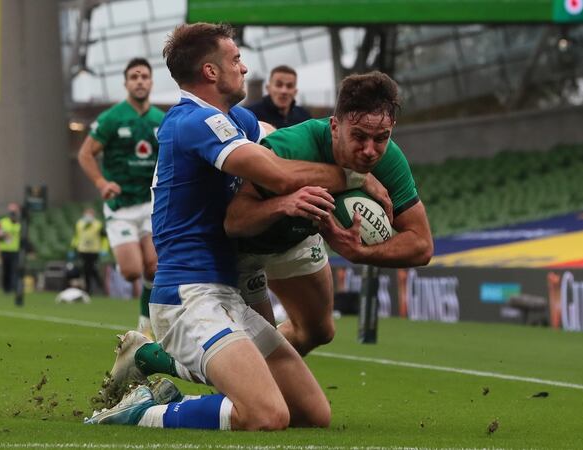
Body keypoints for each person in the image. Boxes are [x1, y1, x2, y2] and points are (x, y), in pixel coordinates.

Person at [86, 22, 383, 431]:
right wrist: (355, 176)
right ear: (211, 72)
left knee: (312, 414)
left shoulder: (233, 119)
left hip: (227, 293)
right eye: (236, 60)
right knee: (266, 415)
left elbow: (283, 142)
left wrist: (357, 145)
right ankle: (140, 412)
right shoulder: (192, 121)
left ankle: (153, 362)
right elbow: (279, 173)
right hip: (189, 296)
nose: (243, 69)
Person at [228, 71, 433, 356]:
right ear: (335, 126)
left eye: (381, 138)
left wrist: (360, 253)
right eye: (359, 136)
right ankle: (163, 361)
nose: (370, 151)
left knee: (318, 331)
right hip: (243, 248)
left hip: (298, 237)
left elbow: (422, 246)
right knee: (257, 353)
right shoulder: (292, 146)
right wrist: (283, 204)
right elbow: (233, 219)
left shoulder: (389, 159)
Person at [77, 57, 163, 337]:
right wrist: (101, 182)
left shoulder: (160, 120)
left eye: (144, 76)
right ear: (126, 83)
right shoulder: (112, 118)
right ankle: (126, 251)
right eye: (134, 77)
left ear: (151, 81)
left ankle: (145, 324)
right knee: (131, 272)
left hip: (150, 204)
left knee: (154, 267)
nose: (139, 81)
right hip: (121, 206)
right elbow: (85, 153)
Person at [245, 65, 311, 129]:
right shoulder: (250, 116)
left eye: (289, 86)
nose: (284, 91)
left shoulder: (305, 118)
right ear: (268, 88)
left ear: (295, 91)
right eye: (278, 85)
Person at [69, 207, 106, 295]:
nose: (88, 216)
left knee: (93, 269)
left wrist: (104, 249)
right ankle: (89, 290)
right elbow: (76, 237)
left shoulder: (98, 224)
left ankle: (100, 287)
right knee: (86, 270)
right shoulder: (79, 224)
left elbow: (104, 238)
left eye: (90, 214)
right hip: (83, 250)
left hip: (94, 251)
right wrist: (72, 248)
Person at [0, 202, 21, 294]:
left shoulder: (20, 224)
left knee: (15, 270)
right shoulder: (3, 222)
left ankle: (15, 288)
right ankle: (6, 289)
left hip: (15, 250)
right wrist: (2, 235)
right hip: (4, 249)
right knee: (6, 270)